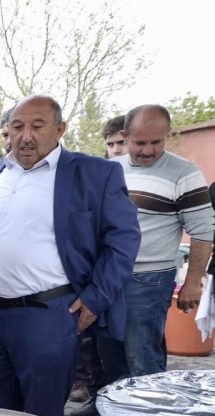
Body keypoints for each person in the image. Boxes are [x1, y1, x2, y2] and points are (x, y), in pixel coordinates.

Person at [0, 95, 140, 416]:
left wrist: (96, 298)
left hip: (46, 316)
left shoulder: (93, 173)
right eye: (17, 127)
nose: (25, 136)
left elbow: (124, 239)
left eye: (37, 126)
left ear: (59, 129)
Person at [99, 105, 215, 379]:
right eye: (140, 142)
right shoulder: (108, 169)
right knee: (108, 352)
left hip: (148, 281)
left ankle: (148, 415)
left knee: (142, 357)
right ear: (125, 136)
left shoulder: (184, 173)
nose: (148, 150)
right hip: (107, 276)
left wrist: (192, 283)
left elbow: (203, 230)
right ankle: (110, 411)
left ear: (167, 135)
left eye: (156, 142)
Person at [68, 115, 128, 416]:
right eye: (112, 143)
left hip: (141, 281)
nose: (118, 149)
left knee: (132, 351)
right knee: (97, 348)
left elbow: (123, 237)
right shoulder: (91, 175)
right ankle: (99, 402)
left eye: (122, 142)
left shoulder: (105, 175)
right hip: (94, 277)